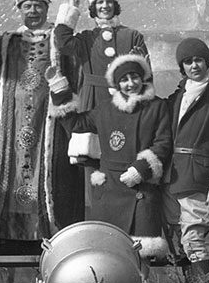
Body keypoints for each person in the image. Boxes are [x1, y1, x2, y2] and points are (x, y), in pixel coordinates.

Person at [0, 0, 81, 251]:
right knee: (9, 174)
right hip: (11, 124)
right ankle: (8, 234)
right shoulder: (9, 42)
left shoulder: (56, 40)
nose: (33, 11)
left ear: (47, 8)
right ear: (19, 10)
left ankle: (48, 233)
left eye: (39, 6)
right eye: (27, 6)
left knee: (51, 178)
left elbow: (75, 54)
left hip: (49, 122)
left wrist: (69, 16)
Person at [69, 53, 173, 260]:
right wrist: (59, 91)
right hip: (110, 192)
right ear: (117, 84)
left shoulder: (157, 106)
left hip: (141, 188)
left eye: (134, 77)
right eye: (124, 80)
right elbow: (74, 123)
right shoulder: (105, 109)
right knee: (108, 255)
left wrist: (141, 169)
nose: (130, 83)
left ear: (142, 78)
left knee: (142, 254)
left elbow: (163, 143)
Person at [162, 37, 209, 283]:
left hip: (199, 176)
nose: (194, 66)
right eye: (187, 62)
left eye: (198, 60)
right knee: (181, 241)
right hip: (174, 176)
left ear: (208, 61)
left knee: (194, 239)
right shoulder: (179, 95)